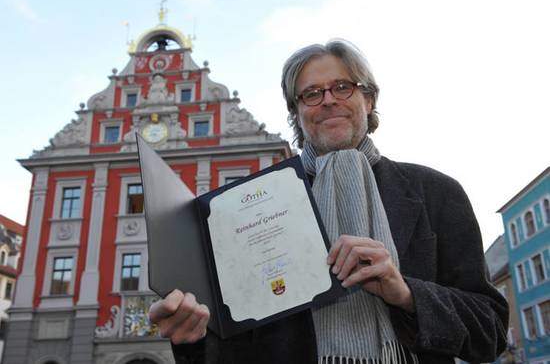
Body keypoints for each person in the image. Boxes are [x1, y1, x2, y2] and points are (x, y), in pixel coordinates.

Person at [149, 40, 509, 364]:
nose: (328, 100)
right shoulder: (251, 207)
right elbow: (237, 347)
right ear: (297, 113)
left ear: (368, 100)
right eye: (311, 93)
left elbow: (490, 331)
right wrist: (193, 340)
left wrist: (405, 293)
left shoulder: (436, 192)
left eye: (343, 87)